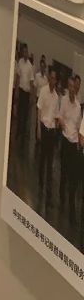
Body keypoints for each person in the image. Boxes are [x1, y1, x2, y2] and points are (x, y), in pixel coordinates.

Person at [59, 75, 83, 222]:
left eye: (74, 87)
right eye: (70, 86)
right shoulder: (64, 101)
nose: (72, 89)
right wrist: (62, 123)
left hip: (73, 143)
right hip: (65, 140)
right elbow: (60, 116)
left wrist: (79, 143)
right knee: (63, 169)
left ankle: (70, 204)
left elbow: (79, 126)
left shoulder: (78, 106)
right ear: (69, 88)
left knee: (72, 174)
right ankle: (61, 196)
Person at [38, 68, 63, 212]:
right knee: (42, 158)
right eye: (52, 78)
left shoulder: (56, 97)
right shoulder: (43, 91)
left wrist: (59, 122)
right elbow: (39, 109)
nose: (53, 80)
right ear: (49, 78)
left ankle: (48, 192)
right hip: (44, 127)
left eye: (55, 79)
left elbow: (57, 114)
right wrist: (38, 128)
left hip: (52, 131)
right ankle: (40, 181)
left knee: (50, 161)